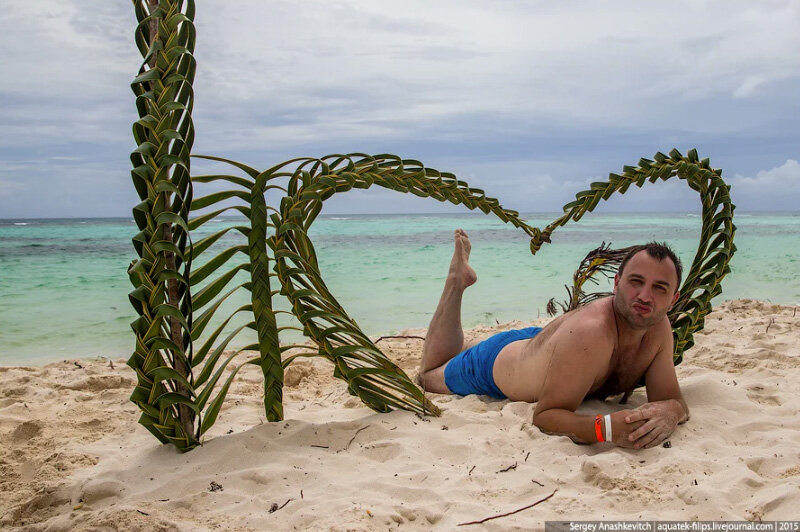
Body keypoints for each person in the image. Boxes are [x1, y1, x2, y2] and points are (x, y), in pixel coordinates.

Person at [417, 229, 689, 448]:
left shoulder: (657, 327)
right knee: (428, 375)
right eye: (636, 282)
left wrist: (671, 413)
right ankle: (456, 281)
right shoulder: (592, 333)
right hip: (496, 365)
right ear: (616, 283)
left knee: (459, 352)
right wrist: (604, 429)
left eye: (659, 288)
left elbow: (671, 400)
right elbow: (545, 417)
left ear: (673, 299)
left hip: (549, 345)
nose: (644, 296)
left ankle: (466, 338)